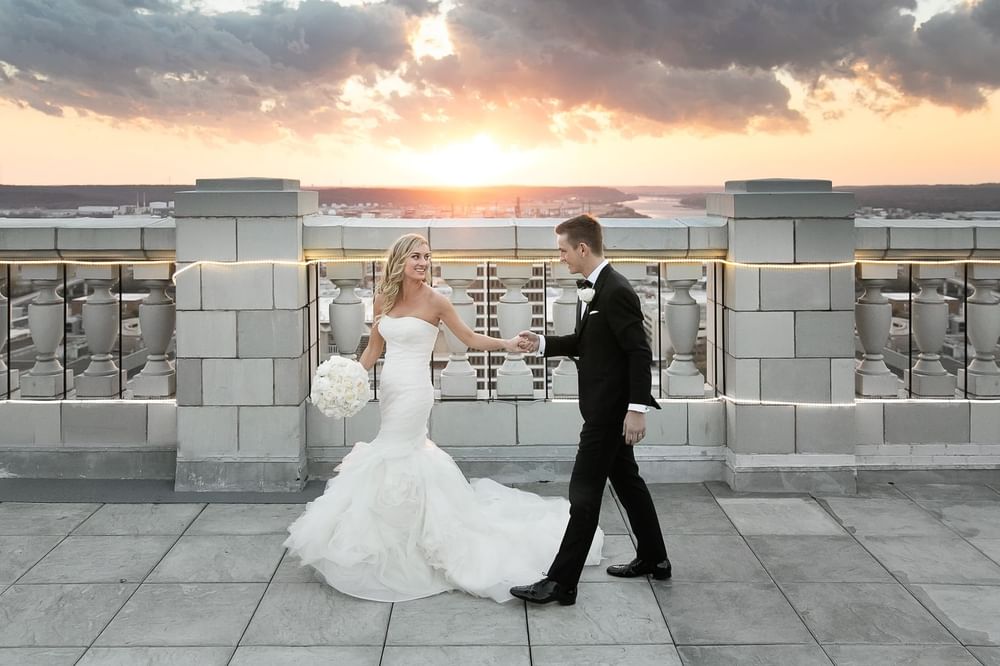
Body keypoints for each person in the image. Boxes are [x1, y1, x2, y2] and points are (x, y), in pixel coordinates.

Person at [285, 233, 603, 603]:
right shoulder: (383, 297)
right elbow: (373, 348)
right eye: (416, 257)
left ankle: (412, 542)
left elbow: (468, 338)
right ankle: (395, 535)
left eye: (427, 256)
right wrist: (348, 378)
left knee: (398, 451)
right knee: (392, 451)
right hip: (390, 389)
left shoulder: (436, 300)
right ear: (400, 260)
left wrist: (506, 344)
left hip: (415, 392)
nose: (423, 262)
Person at [510, 214, 670, 606]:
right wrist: (542, 343)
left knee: (582, 497)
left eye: (563, 250)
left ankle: (561, 582)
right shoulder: (597, 288)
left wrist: (637, 409)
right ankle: (655, 558)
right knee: (628, 483)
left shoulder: (616, 291)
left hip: (609, 415)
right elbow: (586, 343)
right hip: (604, 409)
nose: (560, 257)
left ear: (582, 248)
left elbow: (639, 353)